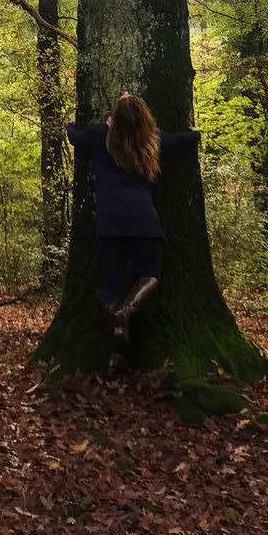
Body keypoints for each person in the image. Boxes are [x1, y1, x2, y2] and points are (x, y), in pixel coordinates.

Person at [66, 91, 200, 373]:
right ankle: (126, 312)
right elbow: (184, 140)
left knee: (111, 289)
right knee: (150, 274)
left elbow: (75, 138)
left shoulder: (99, 134)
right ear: (143, 117)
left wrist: (70, 122)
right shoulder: (152, 138)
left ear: (114, 119)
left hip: (110, 223)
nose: (126, 93)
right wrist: (195, 133)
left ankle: (116, 356)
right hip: (143, 221)